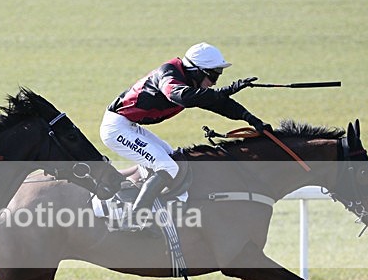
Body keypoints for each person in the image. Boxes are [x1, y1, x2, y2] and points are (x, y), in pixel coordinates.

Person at [99, 42, 271, 230]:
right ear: (196, 71)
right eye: (212, 75)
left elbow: (218, 103)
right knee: (166, 166)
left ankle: (136, 198)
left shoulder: (190, 82)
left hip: (128, 125)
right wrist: (226, 91)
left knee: (172, 160)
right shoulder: (169, 73)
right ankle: (134, 219)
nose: (214, 82)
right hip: (116, 128)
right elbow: (182, 97)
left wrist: (253, 120)